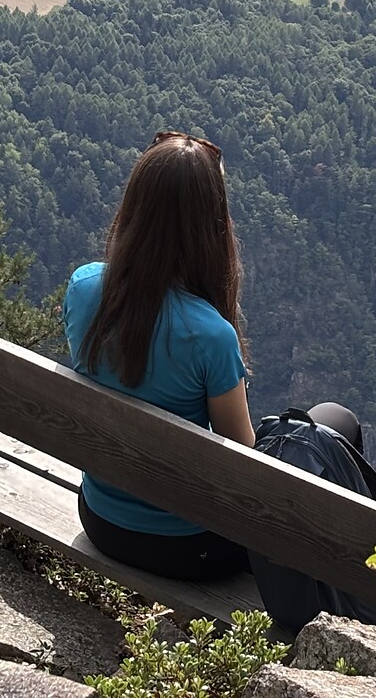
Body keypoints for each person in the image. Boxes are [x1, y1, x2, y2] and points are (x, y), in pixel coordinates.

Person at [63, 130, 256, 580]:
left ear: (135, 206)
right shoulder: (211, 336)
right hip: (190, 548)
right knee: (333, 422)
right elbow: (244, 460)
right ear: (212, 226)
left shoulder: (85, 288)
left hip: (101, 520)